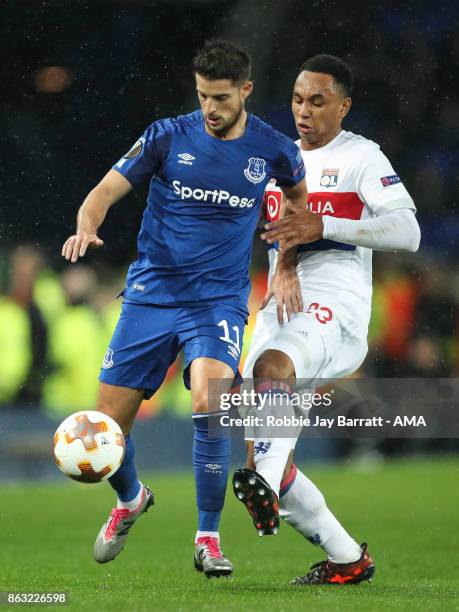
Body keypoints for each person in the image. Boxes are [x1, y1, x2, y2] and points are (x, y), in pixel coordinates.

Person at [61, 39, 307, 578]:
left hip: (217, 300)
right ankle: (129, 498)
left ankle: (208, 538)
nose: (210, 109)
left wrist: (285, 260)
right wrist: (86, 227)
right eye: (201, 97)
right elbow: (103, 190)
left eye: (220, 98)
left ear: (245, 90)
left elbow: (297, 200)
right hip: (152, 295)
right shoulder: (168, 136)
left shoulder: (273, 148)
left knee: (209, 403)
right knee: (106, 431)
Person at [232, 54, 420, 585]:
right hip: (279, 305)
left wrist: (326, 226)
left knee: (271, 373)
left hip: (336, 303)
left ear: (344, 105)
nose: (304, 111)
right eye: (297, 99)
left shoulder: (362, 156)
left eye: (318, 101)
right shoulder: (278, 158)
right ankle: (347, 560)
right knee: (270, 453)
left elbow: (408, 232)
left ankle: (261, 481)